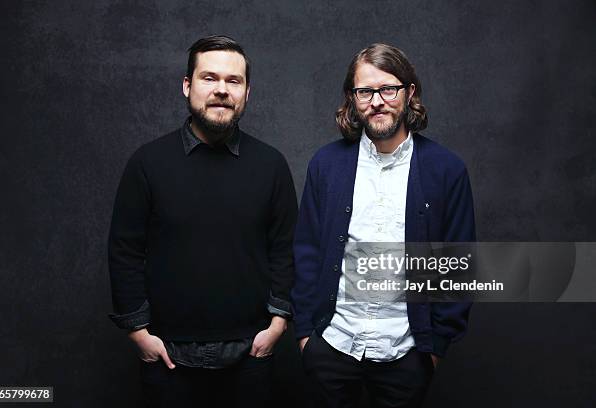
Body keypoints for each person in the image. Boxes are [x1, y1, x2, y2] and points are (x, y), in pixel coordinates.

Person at [107, 35, 297, 407]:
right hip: (168, 357)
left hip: (250, 356)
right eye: (210, 78)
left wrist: (278, 325)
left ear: (247, 93)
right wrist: (138, 333)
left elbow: (285, 248)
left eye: (233, 81)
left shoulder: (271, 165)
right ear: (187, 85)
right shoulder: (147, 163)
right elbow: (124, 250)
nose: (222, 90)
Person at [292, 43, 476, 408]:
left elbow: (458, 263)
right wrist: (305, 337)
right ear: (352, 98)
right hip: (333, 344)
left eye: (388, 88)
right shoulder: (326, 165)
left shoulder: (446, 170)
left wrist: (434, 349)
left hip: (407, 353)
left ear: (410, 93)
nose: (377, 100)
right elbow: (307, 250)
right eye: (365, 91)